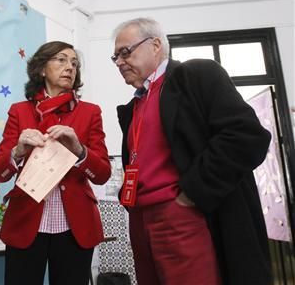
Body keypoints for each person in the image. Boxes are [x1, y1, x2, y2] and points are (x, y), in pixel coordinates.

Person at [112, 17, 272, 285]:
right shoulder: (136, 104)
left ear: (155, 45)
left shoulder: (196, 75)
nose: (119, 62)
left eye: (125, 52)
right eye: (115, 56)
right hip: (141, 219)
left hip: (182, 214)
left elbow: (246, 136)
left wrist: (192, 194)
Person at [0, 41, 111, 285]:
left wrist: (78, 150)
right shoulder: (19, 111)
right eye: (61, 60)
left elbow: (102, 174)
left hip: (75, 226)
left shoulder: (90, 112)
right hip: (26, 222)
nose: (70, 67)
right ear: (42, 69)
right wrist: (18, 151)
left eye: (74, 63)